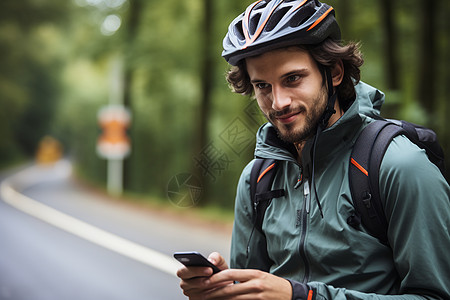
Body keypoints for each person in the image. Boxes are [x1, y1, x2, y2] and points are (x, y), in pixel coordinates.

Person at [176, 0, 450, 299]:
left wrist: (303, 296)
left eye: (292, 79)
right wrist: (223, 289)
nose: (278, 102)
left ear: (333, 72)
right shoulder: (258, 178)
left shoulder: (399, 165)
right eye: (263, 86)